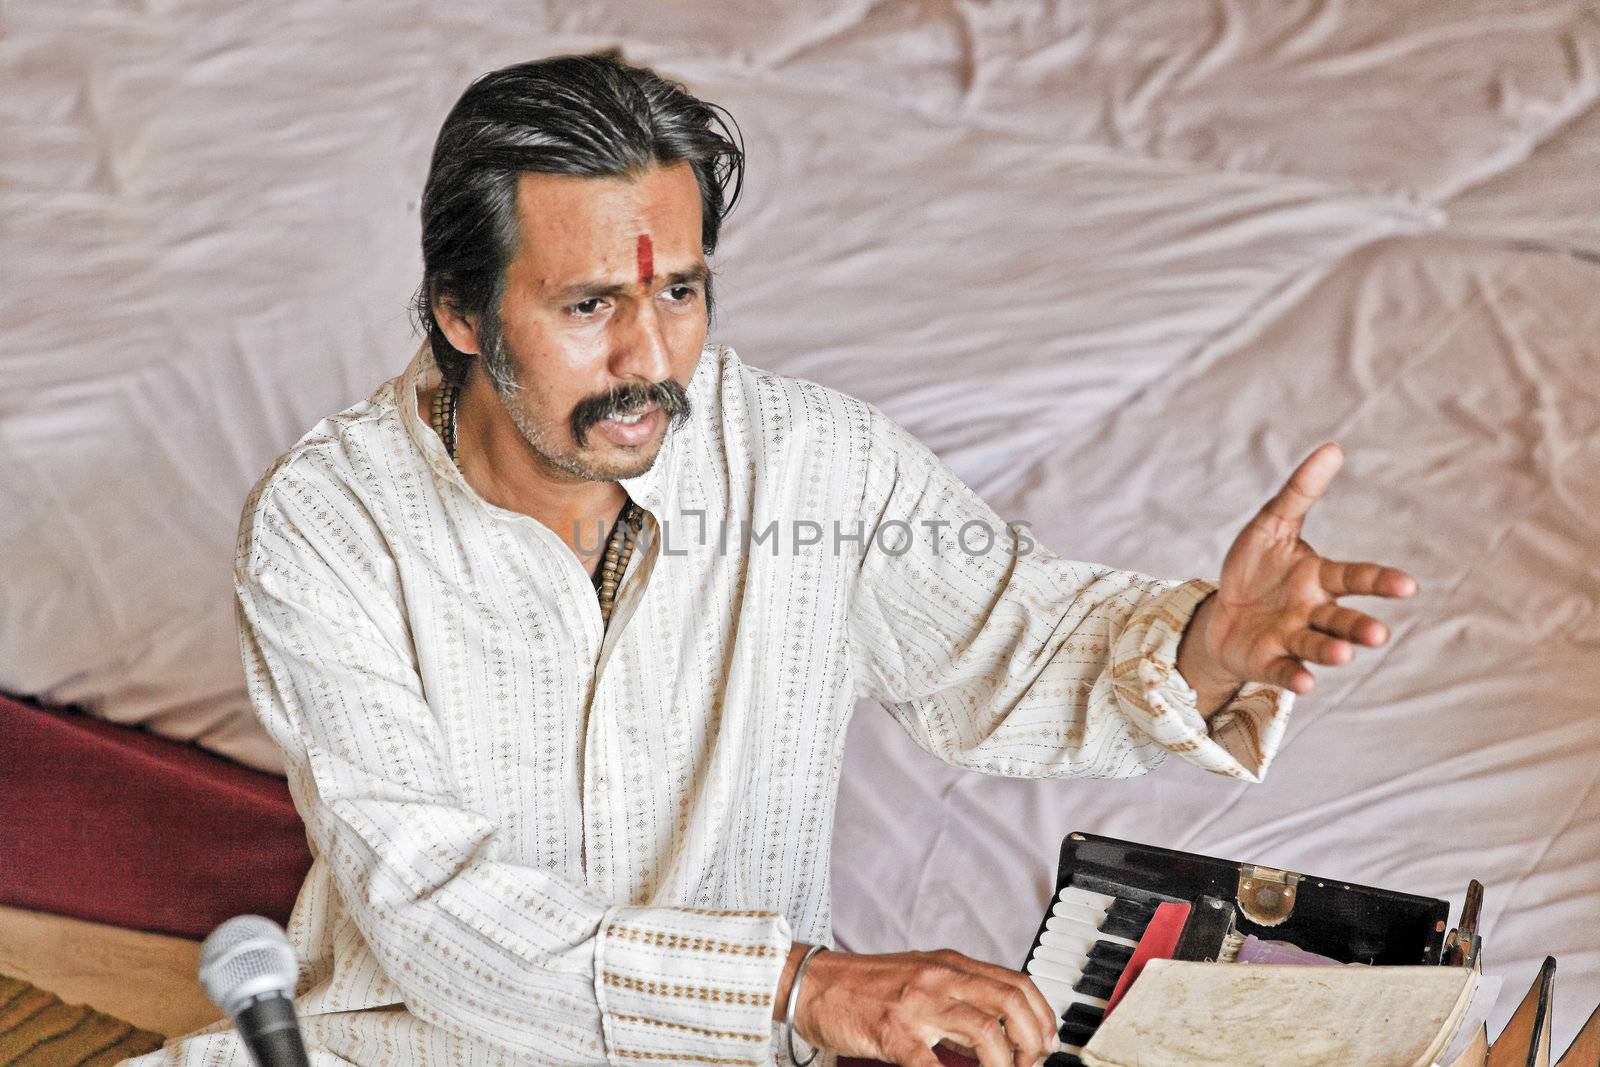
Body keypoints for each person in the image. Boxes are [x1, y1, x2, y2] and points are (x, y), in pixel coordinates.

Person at [132, 52, 1416, 1067]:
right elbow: (433, 909)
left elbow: (1006, 642)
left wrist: (1205, 646)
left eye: (679, 293)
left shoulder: (810, 460)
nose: (650, 361)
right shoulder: (327, 527)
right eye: (590, 307)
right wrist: (804, 984)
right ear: (462, 314)